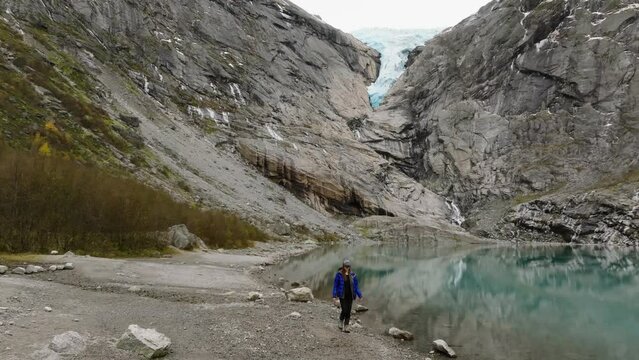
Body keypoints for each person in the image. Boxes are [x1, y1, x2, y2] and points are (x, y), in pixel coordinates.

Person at [332, 259, 362, 333]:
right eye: (345, 266)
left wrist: (360, 295)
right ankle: (341, 320)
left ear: (350, 266)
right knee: (344, 310)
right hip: (342, 295)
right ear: (343, 266)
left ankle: (346, 326)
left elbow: (356, 286)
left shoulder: (353, 275)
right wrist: (334, 296)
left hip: (350, 296)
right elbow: (335, 286)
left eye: (348, 266)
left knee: (348, 311)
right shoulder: (339, 274)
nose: (347, 268)